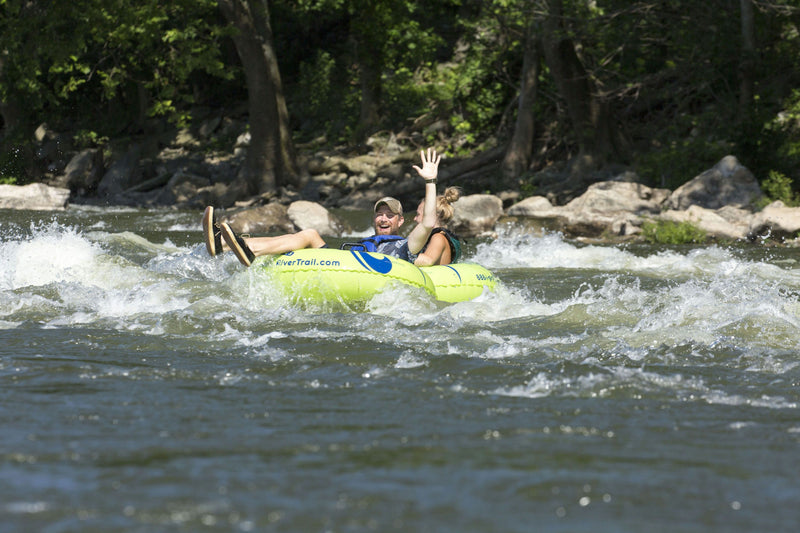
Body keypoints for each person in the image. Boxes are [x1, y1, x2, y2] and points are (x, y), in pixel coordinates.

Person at [203, 148, 442, 267]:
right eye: (379, 214)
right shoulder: (363, 241)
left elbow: (428, 223)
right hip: (342, 266)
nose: (383, 219)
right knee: (310, 234)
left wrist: (430, 181)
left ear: (400, 221)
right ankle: (225, 244)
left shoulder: (406, 247)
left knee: (310, 236)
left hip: (372, 274)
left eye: (390, 215)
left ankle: (242, 248)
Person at [411, 186, 462, 266]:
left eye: (418, 214)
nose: (415, 218)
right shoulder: (442, 235)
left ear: (431, 215)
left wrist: (398, 253)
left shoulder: (438, 237)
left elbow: (427, 261)